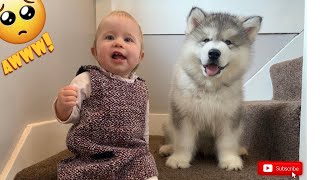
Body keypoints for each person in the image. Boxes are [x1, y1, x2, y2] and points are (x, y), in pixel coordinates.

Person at [53, 10, 158, 180]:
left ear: (140, 56)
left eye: (128, 39)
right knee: (76, 174)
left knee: (147, 169)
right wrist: (62, 105)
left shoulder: (141, 88)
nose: (118, 43)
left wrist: (144, 146)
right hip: (93, 154)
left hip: (132, 153)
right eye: (109, 37)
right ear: (94, 52)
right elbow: (70, 116)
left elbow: (143, 123)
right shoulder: (87, 79)